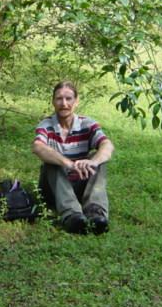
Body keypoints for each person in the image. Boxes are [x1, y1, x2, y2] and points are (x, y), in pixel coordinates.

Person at [32, 81, 114, 234]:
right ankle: (71, 216)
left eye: (69, 99)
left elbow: (108, 146)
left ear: (76, 101)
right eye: (59, 99)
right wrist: (68, 164)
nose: (64, 104)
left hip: (81, 186)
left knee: (99, 162)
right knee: (52, 162)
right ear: (53, 101)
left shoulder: (87, 124)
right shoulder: (46, 125)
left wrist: (93, 162)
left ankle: (95, 213)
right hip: (54, 189)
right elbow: (38, 147)